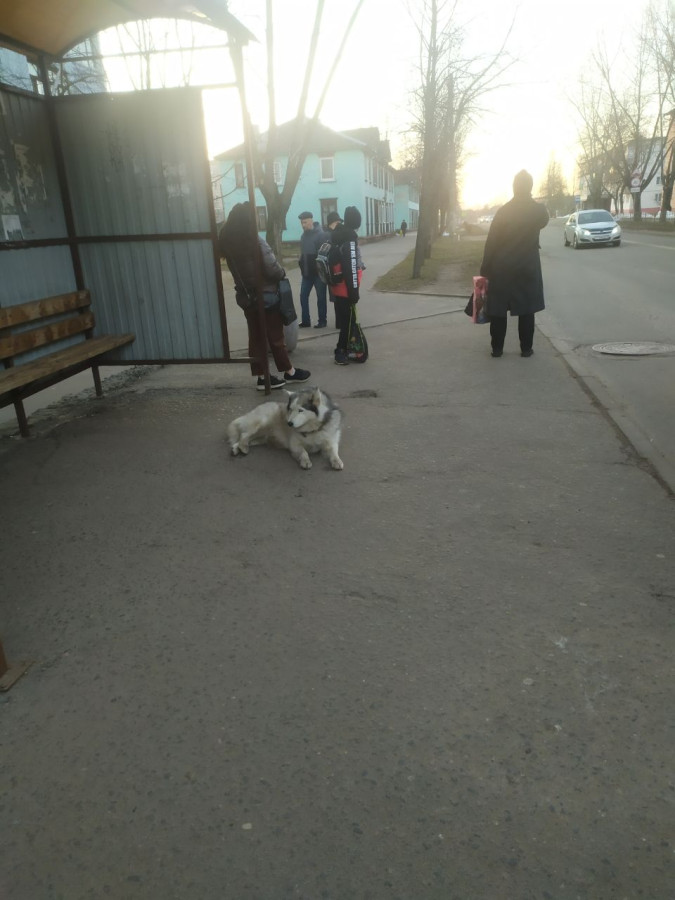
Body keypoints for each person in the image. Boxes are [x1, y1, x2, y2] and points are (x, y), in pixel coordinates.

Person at [218, 203, 310, 390]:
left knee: (256, 337)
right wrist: (282, 273)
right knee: (275, 336)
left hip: (246, 297)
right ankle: (289, 372)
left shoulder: (228, 244)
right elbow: (272, 268)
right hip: (266, 295)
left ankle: (262, 377)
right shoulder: (254, 240)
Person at [479, 169, 549, 358]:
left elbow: (491, 242)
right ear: (530, 187)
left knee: (498, 309)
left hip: (501, 268)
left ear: (514, 187)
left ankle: (497, 349)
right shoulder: (538, 211)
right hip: (527, 267)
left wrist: (485, 269)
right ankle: (526, 349)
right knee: (527, 309)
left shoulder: (503, 211)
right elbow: (544, 221)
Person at [326, 207, 363, 365]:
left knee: (347, 320)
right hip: (346, 288)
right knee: (348, 322)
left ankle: (347, 348)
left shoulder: (338, 234)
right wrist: (354, 293)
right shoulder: (350, 239)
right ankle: (340, 351)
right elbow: (351, 268)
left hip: (337, 285)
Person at [297, 211, 328, 328]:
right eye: (301, 223)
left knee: (321, 297)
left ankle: (322, 321)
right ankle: (306, 321)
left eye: (305, 222)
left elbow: (324, 255)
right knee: (303, 296)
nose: (303, 225)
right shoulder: (303, 236)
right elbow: (303, 254)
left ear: (311, 221)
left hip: (318, 274)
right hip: (306, 274)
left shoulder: (320, 235)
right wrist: (301, 263)